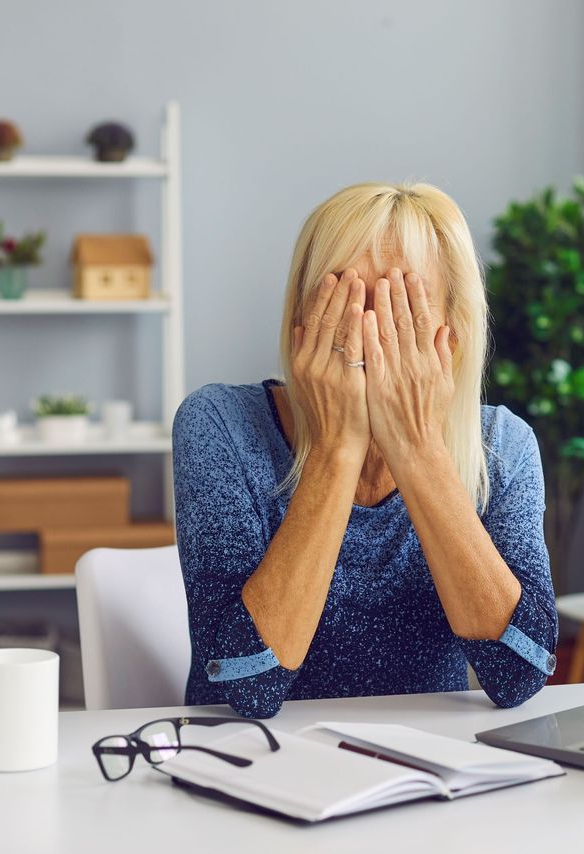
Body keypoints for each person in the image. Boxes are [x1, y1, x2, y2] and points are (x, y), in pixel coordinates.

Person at [171, 182, 557, 719]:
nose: (365, 335)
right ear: (301, 320)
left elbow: (520, 673)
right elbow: (249, 685)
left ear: (453, 334)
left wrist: (418, 447)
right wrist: (335, 448)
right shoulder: (218, 425)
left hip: (423, 772)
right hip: (250, 762)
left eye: (399, 307)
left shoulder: (502, 446)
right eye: (343, 300)